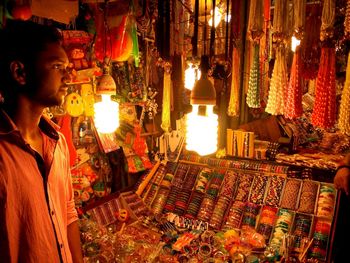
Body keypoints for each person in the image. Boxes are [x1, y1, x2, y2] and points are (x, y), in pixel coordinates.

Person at [0, 20, 83, 262]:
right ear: (20, 73)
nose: (69, 76)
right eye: (58, 66)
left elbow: (68, 212)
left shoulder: (58, 143)